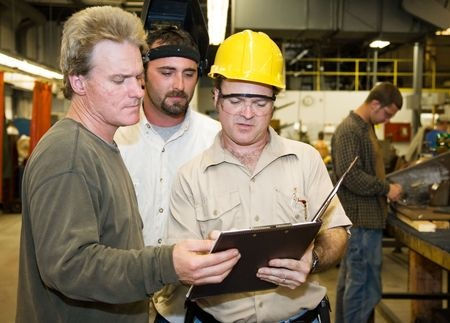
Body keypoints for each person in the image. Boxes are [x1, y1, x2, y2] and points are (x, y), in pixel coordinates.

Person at [15, 6, 240, 323]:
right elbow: (69, 267)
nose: (137, 92)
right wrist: (166, 264)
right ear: (78, 82)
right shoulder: (69, 154)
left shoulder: (103, 145)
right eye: (119, 80)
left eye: (137, 77)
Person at [165, 29, 352, 322]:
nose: (247, 113)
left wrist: (312, 259)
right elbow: (179, 266)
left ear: (274, 104)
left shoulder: (306, 160)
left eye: (260, 102)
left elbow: (338, 233)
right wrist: (201, 265)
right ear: (216, 98)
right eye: (235, 100)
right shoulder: (190, 177)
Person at [114, 26, 221, 323]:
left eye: (188, 74)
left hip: (187, 306)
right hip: (124, 296)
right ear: (142, 74)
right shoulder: (115, 139)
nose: (179, 84)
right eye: (166, 72)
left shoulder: (216, 139)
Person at [331, 82, 404, 323]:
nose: (387, 119)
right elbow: (349, 176)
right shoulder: (351, 130)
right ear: (375, 104)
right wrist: (386, 188)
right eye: (387, 113)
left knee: (354, 283)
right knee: (363, 288)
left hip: (367, 220)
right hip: (360, 222)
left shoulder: (366, 127)